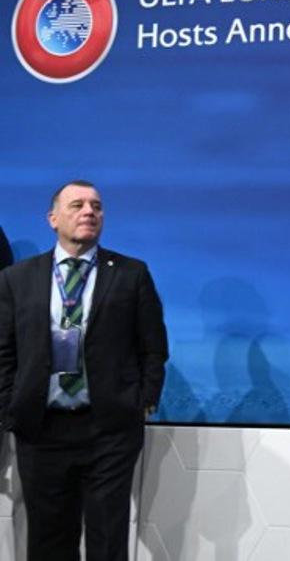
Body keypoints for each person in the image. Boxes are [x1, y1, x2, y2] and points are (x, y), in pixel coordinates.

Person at [0, 180, 168, 561]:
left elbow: (153, 347)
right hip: (41, 428)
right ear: (53, 218)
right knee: (47, 541)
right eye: (77, 205)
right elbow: (4, 351)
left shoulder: (131, 274)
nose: (89, 212)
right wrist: (10, 407)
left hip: (109, 430)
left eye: (97, 206)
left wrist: (143, 402)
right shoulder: (17, 278)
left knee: (108, 541)